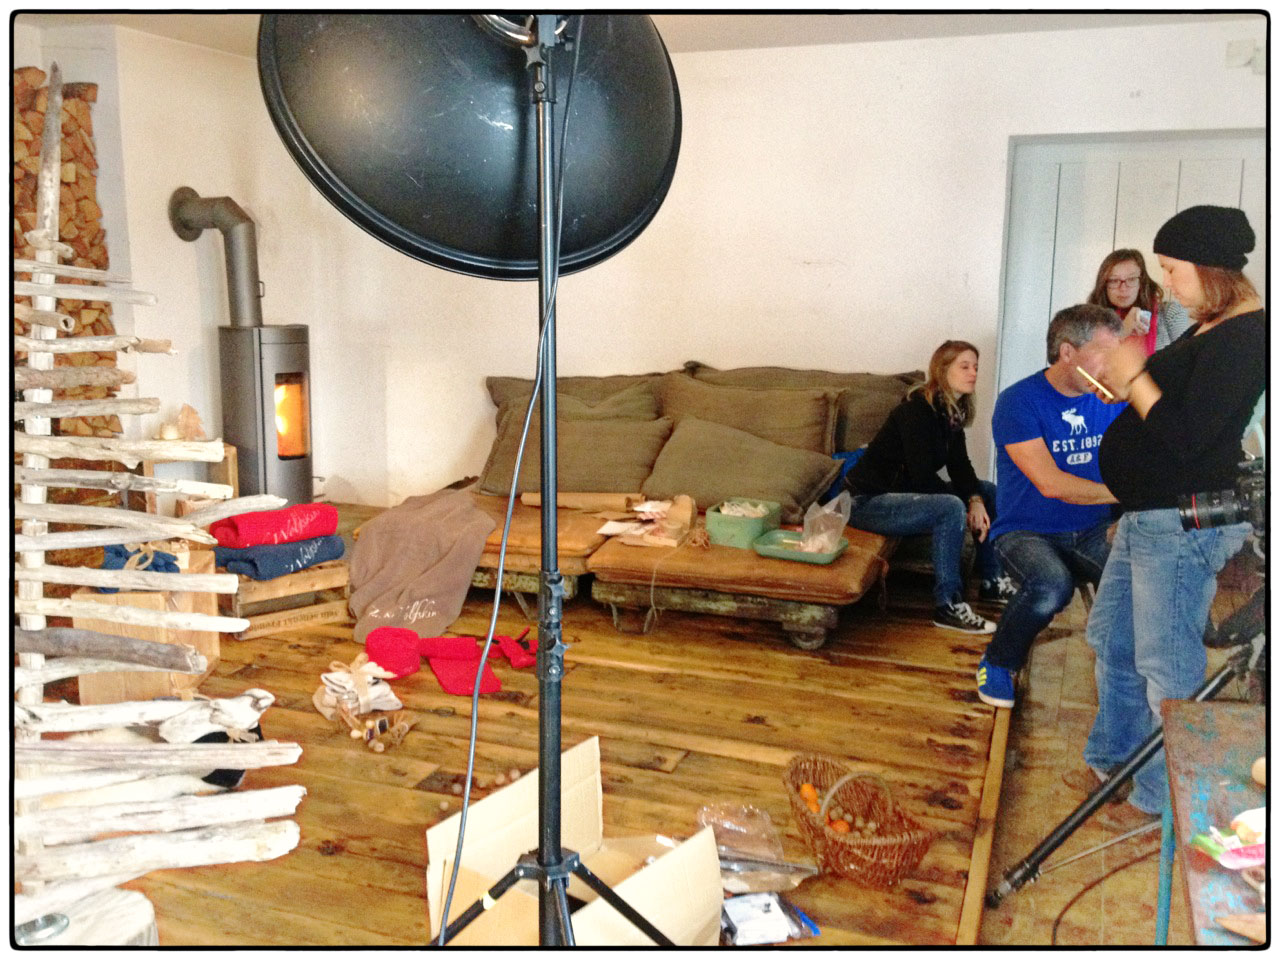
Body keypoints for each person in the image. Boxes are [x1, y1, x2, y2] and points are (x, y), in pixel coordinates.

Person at [1078, 205, 1264, 832]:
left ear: (1210, 267)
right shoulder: (1212, 326)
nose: (1166, 282)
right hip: (1148, 515)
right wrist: (1123, 384)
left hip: (1179, 523)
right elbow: (1172, 408)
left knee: (1166, 663)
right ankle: (1116, 762)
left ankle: (1161, 796)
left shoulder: (1248, 336)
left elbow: (1188, 438)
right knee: (1111, 638)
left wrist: (1136, 378)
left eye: (1172, 268)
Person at [974, 304, 1126, 709]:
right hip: (1025, 530)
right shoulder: (1018, 402)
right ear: (1067, 352)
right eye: (1104, 353)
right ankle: (998, 661)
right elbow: (1050, 483)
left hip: (1093, 528)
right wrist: (1125, 492)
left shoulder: (1112, 399)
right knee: (1051, 587)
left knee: (1136, 577)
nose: (1113, 365)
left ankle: (1122, 673)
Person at [843, 340, 1013, 635]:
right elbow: (921, 477)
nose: (973, 373)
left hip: (900, 495)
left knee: (988, 491)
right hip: (866, 502)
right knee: (950, 507)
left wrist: (975, 499)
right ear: (942, 370)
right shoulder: (915, 411)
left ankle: (992, 581)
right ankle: (948, 605)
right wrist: (966, 506)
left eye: (975, 367)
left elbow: (961, 467)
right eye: (964, 366)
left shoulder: (950, 413)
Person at [1086, 248, 1191, 354]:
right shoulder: (1090, 322)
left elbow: (1188, 360)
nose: (1123, 288)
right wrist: (1122, 332)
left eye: (1131, 279)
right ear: (1104, 285)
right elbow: (1089, 361)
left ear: (1141, 283)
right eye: (1114, 280)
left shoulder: (1170, 313)